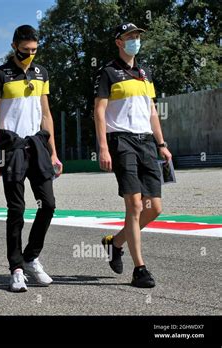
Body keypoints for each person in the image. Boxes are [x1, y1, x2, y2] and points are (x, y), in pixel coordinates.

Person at [94, 23, 172, 288]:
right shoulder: (107, 72)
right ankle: (140, 269)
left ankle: (115, 243)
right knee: (135, 206)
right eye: (130, 37)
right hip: (121, 141)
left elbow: (152, 111)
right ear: (119, 42)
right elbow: (100, 111)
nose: (135, 40)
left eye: (137, 36)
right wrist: (103, 147)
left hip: (147, 142)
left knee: (155, 208)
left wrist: (161, 143)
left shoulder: (145, 72)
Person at [0, 25, 62, 292]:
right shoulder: (0, 75)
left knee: (48, 204)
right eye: (26, 50)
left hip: (38, 146)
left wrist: (54, 152)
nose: (30, 55)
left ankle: (31, 257)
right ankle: (16, 268)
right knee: (16, 210)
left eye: (34, 50)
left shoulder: (42, 73)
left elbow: (47, 114)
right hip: (12, 148)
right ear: (14, 45)